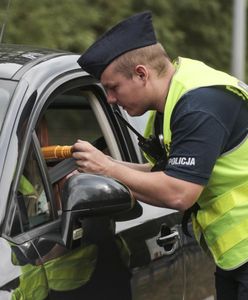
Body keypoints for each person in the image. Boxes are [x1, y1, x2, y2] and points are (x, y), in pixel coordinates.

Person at [73, 11, 248, 300]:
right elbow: (161, 175)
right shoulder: (174, 102)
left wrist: (108, 169)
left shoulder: (199, 104)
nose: (111, 100)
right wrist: (101, 167)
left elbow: (179, 192)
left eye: (113, 88)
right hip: (234, 257)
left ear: (141, 73)